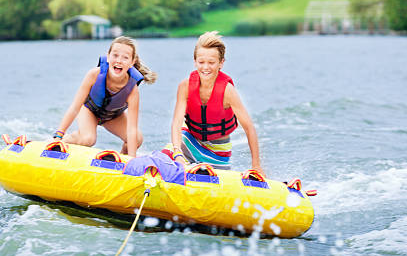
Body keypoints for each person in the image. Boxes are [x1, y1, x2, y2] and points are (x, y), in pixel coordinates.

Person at [169, 31, 263, 175]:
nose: (205, 67)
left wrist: (256, 165)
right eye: (201, 62)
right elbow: (177, 122)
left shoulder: (228, 91)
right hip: (190, 139)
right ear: (195, 62)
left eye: (211, 63)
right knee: (166, 157)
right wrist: (177, 152)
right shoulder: (185, 86)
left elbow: (249, 127)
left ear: (221, 63)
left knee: (205, 176)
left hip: (217, 150)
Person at [53, 36, 156, 157]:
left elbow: (131, 128)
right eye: (115, 55)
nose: (119, 60)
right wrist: (58, 135)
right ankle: (64, 141)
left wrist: (132, 159)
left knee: (137, 138)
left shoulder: (132, 90)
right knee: (88, 139)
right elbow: (75, 107)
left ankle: (122, 159)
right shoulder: (94, 74)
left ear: (132, 63)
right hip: (89, 110)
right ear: (108, 57)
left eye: (125, 57)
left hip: (112, 117)